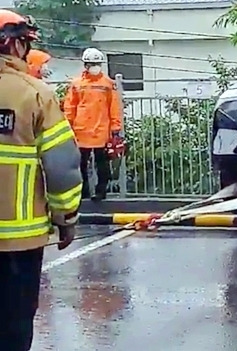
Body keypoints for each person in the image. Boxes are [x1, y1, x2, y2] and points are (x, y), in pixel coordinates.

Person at [0, 9, 82, 350]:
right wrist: (66, 220)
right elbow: (62, 167)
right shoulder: (35, 94)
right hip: (17, 245)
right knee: (13, 326)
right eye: (24, 43)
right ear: (10, 44)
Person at [63, 47, 122, 201]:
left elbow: (114, 107)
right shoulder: (77, 84)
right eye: (92, 63)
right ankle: (84, 192)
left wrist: (116, 128)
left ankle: (101, 191)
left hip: (101, 131)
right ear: (86, 65)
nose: (95, 66)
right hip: (80, 130)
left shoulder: (108, 84)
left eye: (97, 63)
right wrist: (67, 125)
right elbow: (70, 106)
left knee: (102, 164)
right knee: (80, 164)